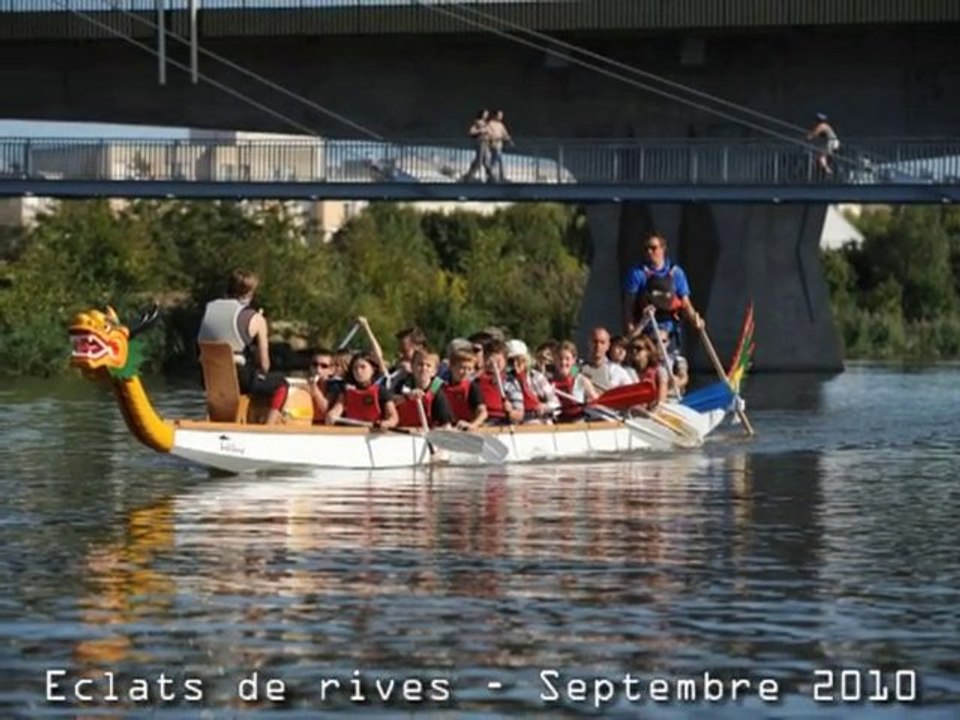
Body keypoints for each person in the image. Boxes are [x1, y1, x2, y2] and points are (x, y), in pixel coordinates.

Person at [196, 268, 286, 424]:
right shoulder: (256, 318)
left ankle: (214, 420)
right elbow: (265, 365)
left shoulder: (209, 309)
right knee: (281, 385)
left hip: (207, 377)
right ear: (251, 292)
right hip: (238, 377)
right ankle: (268, 429)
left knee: (235, 384)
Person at [622, 232, 704, 355]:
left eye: (653, 248)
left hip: (670, 329)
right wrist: (631, 330)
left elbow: (686, 304)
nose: (649, 252)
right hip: (647, 328)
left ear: (663, 249)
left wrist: (695, 320)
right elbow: (629, 306)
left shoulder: (676, 273)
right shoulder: (637, 273)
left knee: (677, 366)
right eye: (646, 249)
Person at [325, 354, 399, 430]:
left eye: (363, 367)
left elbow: (393, 417)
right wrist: (332, 415)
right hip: (352, 432)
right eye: (355, 368)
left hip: (374, 432)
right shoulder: (346, 390)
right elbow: (338, 408)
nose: (358, 371)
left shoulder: (381, 391)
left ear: (373, 369)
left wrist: (387, 423)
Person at [394, 350, 455, 429]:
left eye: (428, 366)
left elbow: (446, 426)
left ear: (434, 371)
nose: (423, 368)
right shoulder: (401, 384)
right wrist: (407, 397)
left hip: (425, 434)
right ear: (412, 366)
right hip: (400, 433)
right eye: (420, 364)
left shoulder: (438, 392)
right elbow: (389, 402)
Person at [462, 109, 491, 182]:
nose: (487, 115)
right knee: (479, 160)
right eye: (485, 114)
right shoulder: (477, 122)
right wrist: (481, 131)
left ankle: (490, 177)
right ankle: (469, 177)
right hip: (480, 142)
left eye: (487, 114)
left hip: (486, 142)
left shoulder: (485, 123)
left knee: (486, 159)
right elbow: (471, 132)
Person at [485, 110, 512, 183]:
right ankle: (492, 176)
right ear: (496, 115)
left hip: (499, 145)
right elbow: (488, 133)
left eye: (501, 115)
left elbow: (505, 134)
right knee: (495, 160)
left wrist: (509, 140)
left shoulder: (501, 125)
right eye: (500, 115)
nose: (501, 117)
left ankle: (499, 176)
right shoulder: (490, 124)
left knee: (499, 160)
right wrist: (496, 137)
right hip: (493, 145)